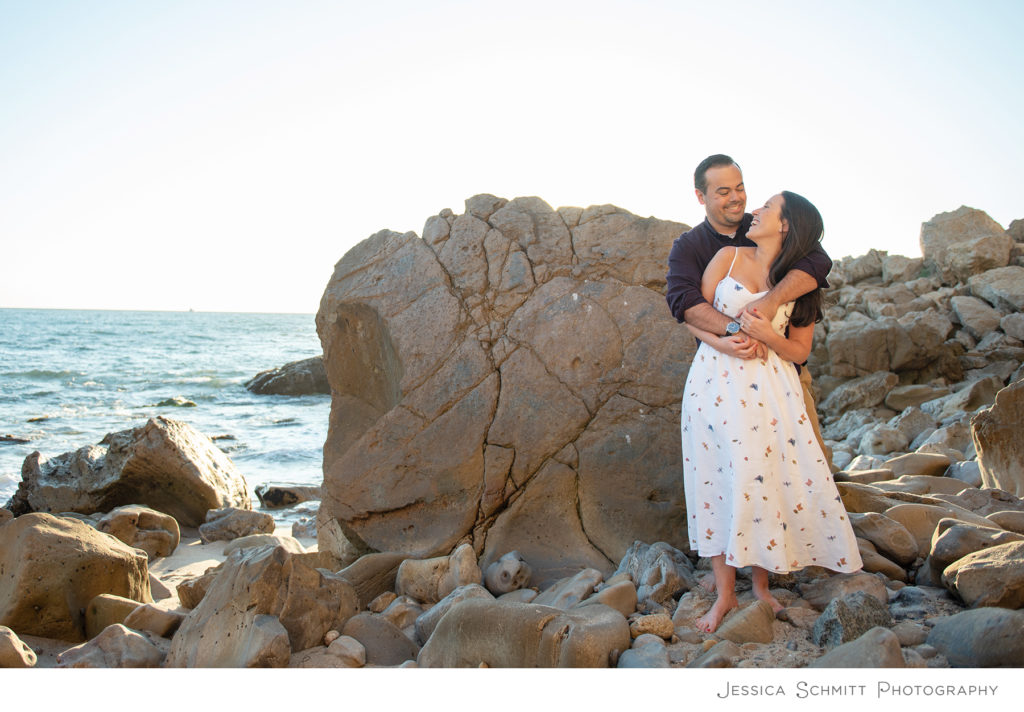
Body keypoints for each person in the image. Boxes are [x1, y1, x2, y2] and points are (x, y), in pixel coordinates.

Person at [679, 190, 862, 633]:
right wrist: (725, 342)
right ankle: (725, 594)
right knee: (713, 477)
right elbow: (691, 315)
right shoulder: (726, 257)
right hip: (713, 383)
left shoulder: (800, 282)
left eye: (767, 207)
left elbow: (799, 350)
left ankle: (761, 586)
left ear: (785, 225)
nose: (755, 210)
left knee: (763, 479)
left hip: (770, 392)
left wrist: (767, 334)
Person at [666, 155, 833, 460]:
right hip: (724, 379)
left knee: (809, 464)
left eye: (739, 188)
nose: (736, 198)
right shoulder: (689, 247)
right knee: (737, 468)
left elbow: (819, 262)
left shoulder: (765, 226)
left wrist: (769, 302)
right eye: (723, 192)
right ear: (701, 197)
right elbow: (685, 304)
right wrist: (736, 330)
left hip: (785, 375)